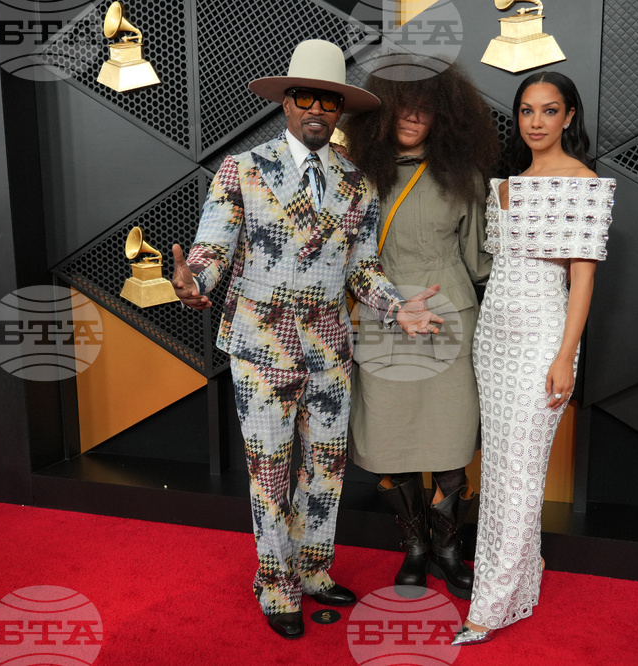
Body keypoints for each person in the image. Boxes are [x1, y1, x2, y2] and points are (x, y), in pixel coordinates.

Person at [170, 39, 443, 640]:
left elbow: (362, 269)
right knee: (270, 471)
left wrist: (397, 308)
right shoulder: (243, 168)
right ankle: (275, 583)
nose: (316, 109)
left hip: (329, 350)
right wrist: (196, 283)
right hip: (260, 350)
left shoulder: (356, 182)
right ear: (286, 103)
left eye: (328, 99)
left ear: (340, 109)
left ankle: (315, 572)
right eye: (304, 98)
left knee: (326, 470)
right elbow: (213, 250)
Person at [452, 71, 616, 645]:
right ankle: (520, 585)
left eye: (549, 110)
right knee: (499, 470)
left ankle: (489, 607)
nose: (537, 121)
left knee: (521, 475)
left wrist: (566, 354)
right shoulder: (506, 183)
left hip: (543, 337)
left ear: (569, 116)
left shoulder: (584, 183)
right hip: (494, 333)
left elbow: (582, 278)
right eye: (527, 111)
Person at [340, 64, 498, 600]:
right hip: (381, 317)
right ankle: (413, 547)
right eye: (402, 103)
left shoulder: (465, 175)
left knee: (450, 439)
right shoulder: (355, 173)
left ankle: (450, 549)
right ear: (382, 109)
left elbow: (480, 260)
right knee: (391, 439)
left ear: (445, 115)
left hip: (451, 317)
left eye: (425, 106)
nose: (412, 115)